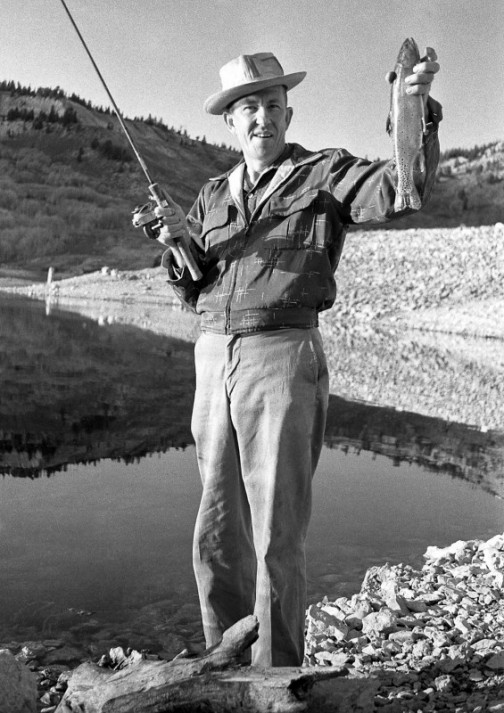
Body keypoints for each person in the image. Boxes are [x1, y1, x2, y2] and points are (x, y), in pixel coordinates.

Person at [154, 49, 441, 667]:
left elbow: (403, 190)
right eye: (249, 107)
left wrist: (411, 104)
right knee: (215, 530)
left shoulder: (325, 172)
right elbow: (196, 286)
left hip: (284, 355)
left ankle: (277, 676)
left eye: (273, 105)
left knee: (275, 534)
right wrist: (177, 245)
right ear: (231, 119)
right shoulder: (209, 194)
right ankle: (221, 664)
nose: (263, 117)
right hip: (212, 358)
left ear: (289, 112)